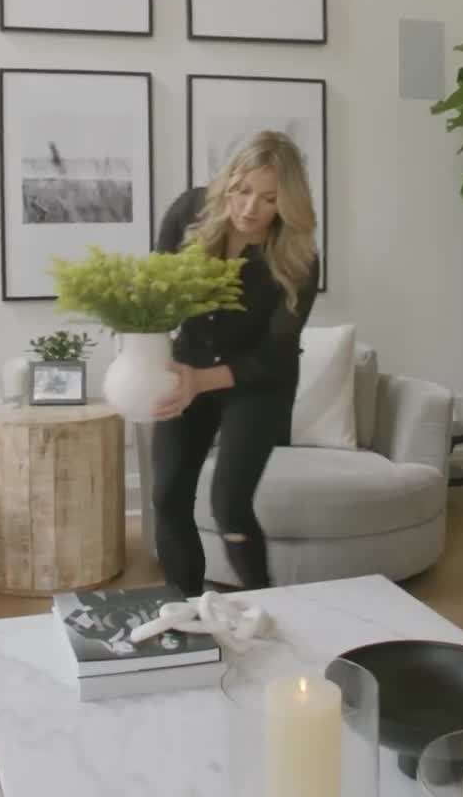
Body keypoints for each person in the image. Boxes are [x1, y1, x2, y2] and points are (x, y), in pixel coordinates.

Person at [150, 131, 320, 596]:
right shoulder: (189, 213)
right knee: (167, 497)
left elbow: (274, 354)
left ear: (286, 204)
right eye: (242, 191)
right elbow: (153, 294)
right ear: (228, 182)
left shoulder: (298, 259)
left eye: (268, 199)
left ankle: (267, 603)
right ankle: (183, 610)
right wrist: (155, 366)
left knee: (230, 504)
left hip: (257, 383)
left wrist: (196, 381)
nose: (250, 209)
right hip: (186, 367)